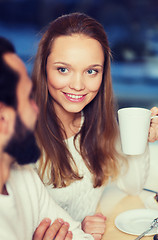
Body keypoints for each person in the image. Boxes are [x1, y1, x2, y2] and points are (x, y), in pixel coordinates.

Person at [32, 12, 158, 240]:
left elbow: (132, 186)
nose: (78, 85)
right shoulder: (23, 138)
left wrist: (141, 139)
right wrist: (78, 229)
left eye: (91, 71)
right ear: (43, 68)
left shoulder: (95, 124)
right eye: (63, 69)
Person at [0, 36, 94, 240]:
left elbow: (79, 236)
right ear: (3, 118)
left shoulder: (22, 176)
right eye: (28, 98)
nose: (37, 109)